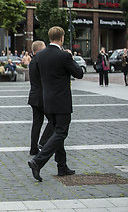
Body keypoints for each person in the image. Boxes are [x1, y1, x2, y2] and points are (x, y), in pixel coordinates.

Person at [28, 26, 83, 182]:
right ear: (62, 38)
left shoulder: (40, 56)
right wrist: (70, 58)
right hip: (62, 101)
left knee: (57, 132)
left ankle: (62, 166)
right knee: (61, 132)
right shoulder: (64, 56)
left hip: (47, 100)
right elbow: (79, 73)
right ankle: (38, 161)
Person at [28, 41, 53, 156]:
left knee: (36, 124)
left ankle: (33, 148)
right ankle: (43, 142)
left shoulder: (32, 61)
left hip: (34, 96)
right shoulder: (40, 60)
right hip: (42, 96)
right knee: (53, 121)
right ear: (39, 50)